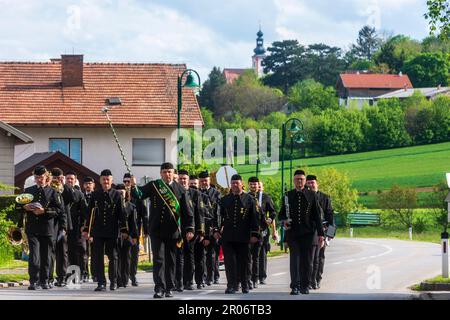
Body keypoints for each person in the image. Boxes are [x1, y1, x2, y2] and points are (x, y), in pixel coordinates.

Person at [130, 162, 194, 298]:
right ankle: (159, 287)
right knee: (159, 260)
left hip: (173, 231)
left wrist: (189, 229)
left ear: (173, 173)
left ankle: (169, 287)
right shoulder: (154, 185)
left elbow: (188, 212)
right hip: (156, 230)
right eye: (164, 172)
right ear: (161, 173)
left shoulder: (181, 189)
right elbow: (139, 194)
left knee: (170, 261)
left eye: (170, 171)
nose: (167, 174)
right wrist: (134, 185)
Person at [15, 165, 66, 290]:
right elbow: (17, 205)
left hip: (47, 229)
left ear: (46, 177)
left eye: (41, 177)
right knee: (34, 256)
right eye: (37, 177)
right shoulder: (28, 190)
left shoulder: (53, 192)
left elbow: (59, 211)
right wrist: (23, 207)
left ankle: (45, 280)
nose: (39, 180)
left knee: (46, 256)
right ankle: (34, 281)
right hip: (32, 228)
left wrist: (44, 211)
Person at [279, 169, 325, 295]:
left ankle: (305, 285)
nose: (299, 181)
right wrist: (284, 221)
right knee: (294, 260)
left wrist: (321, 234)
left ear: (305, 181)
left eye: (302, 179)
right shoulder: (288, 195)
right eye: (297, 179)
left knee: (307, 260)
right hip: (293, 233)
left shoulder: (312, 195)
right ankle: (295, 286)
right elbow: (281, 214)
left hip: (308, 233)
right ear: (294, 181)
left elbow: (317, 216)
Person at [82, 169, 128, 291]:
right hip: (97, 230)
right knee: (97, 257)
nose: (106, 181)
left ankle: (113, 281)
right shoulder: (95, 194)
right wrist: (87, 229)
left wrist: (124, 230)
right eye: (104, 179)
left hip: (112, 230)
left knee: (113, 256)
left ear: (111, 180)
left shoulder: (117, 195)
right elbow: (89, 213)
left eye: (108, 179)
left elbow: (121, 213)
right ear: (100, 180)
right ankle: (101, 282)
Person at [213, 174, 259, 294]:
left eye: (237, 183)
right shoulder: (224, 200)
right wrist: (216, 230)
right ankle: (231, 285)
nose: (234, 185)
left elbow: (255, 218)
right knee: (229, 262)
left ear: (241, 184)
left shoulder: (249, 199)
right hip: (228, 236)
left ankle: (245, 284)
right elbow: (218, 216)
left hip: (244, 237)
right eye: (233, 183)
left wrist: (255, 234)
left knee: (244, 262)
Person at [176, 171, 206, 291]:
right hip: (176, 229)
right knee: (177, 257)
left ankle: (188, 281)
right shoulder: (174, 192)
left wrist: (200, 231)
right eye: (180, 179)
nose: (183, 181)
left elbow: (200, 213)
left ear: (188, 180)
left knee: (189, 257)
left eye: (185, 179)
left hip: (190, 230)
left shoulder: (195, 194)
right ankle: (177, 282)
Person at [306, 175, 334, 290]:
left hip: (322, 231)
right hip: (307, 232)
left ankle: (316, 279)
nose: (310, 185)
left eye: (312, 182)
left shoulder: (325, 197)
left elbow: (331, 216)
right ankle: (307, 280)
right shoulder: (304, 197)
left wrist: (330, 235)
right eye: (308, 183)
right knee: (308, 258)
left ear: (317, 183)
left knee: (319, 258)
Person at [123, 173, 148, 287]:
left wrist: (146, 230)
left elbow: (144, 214)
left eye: (129, 182)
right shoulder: (119, 194)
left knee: (134, 254)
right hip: (122, 230)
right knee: (124, 254)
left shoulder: (137, 195)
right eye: (125, 182)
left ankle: (132, 275)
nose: (127, 184)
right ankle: (123, 276)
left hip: (135, 229)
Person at [64, 171, 89, 285]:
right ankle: (66, 275)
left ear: (75, 180)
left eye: (71, 179)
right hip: (64, 226)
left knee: (77, 252)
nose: (69, 180)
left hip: (76, 226)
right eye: (68, 178)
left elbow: (84, 212)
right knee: (65, 252)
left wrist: (84, 226)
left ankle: (76, 275)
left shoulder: (79, 194)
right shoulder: (61, 191)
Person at [199, 171, 221, 286]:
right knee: (202, 254)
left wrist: (216, 228)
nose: (204, 182)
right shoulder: (196, 193)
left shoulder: (216, 193)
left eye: (205, 180)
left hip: (212, 226)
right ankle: (204, 276)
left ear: (209, 180)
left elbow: (218, 212)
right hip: (201, 227)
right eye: (202, 181)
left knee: (212, 254)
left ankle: (213, 276)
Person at [49, 167, 70, 287]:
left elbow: (71, 198)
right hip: (50, 223)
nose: (56, 180)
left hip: (63, 223)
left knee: (62, 251)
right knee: (50, 251)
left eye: (58, 177)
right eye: (54, 177)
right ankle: (49, 277)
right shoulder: (49, 187)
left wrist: (63, 185)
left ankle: (61, 277)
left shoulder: (65, 188)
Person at [115, 183, 138, 288]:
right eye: (118, 192)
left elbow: (133, 223)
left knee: (126, 258)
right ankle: (118, 279)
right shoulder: (113, 205)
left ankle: (125, 279)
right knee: (117, 258)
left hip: (127, 236)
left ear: (125, 193)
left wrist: (134, 236)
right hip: (115, 235)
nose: (120, 194)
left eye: (122, 192)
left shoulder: (131, 206)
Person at [258, 181, 278, 285]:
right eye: (257, 186)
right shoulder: (247, 197)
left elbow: (273, 212)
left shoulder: (266, 197)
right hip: (250, 229)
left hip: (263, 229)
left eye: (260, 186)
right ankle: (251, 275)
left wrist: (270, 220)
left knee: (262, 253)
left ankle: (262, 276)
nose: (258, 188)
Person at [82, 176, 96, 282]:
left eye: (90, 183)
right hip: (84, 228)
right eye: (86, 183)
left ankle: (95, 274)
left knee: (95, 252)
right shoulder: (81, 196)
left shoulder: (97, 196)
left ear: (93, 185)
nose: (88, 185)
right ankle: (85, 273)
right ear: (83, 185)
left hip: (96, 228)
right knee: (84, 252)